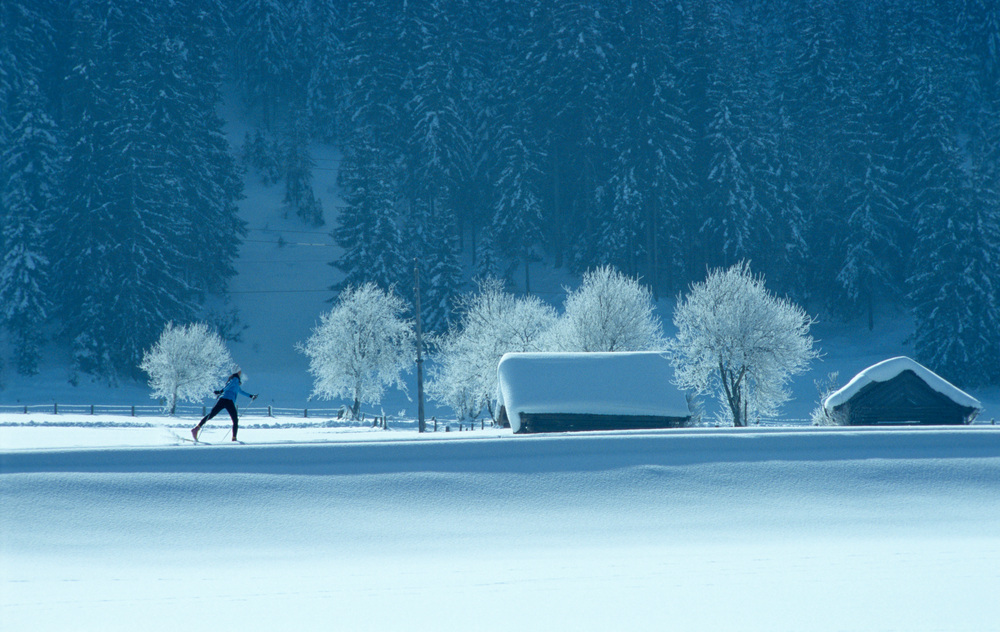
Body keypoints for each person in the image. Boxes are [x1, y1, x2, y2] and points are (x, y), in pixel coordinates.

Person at [192, 370, 257, 441]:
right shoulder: (235, 379)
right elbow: (229, 386)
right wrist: (221, 391)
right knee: (235, 420)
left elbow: (241, 392)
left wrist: (251, 396)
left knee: (211, 415)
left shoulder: (235, 384)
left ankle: (196, 429)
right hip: (228, 401)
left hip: (222, 400)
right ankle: (234, 438)